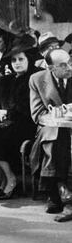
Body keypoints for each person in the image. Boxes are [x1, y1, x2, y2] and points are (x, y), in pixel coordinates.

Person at [0, 39, 40, 199]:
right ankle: (7, 176)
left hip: (27, 124)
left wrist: (6, 113)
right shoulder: (6, 81)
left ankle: (10, 179)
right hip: (7, 123)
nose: (17, 63)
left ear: (29, 60)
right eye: (14, 60)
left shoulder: (34, 79)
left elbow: (27, 108)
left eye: (21, 59)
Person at [29, 48, 72, 216]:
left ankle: (55, 193)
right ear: (51, 68)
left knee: (59, 136)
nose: (69, 67)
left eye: (69, 61)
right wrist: (55, 115)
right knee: (56, 133)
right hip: (48, 129)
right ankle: (62, 189)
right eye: (63, 65)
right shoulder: (37, 80)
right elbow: (37, 114)